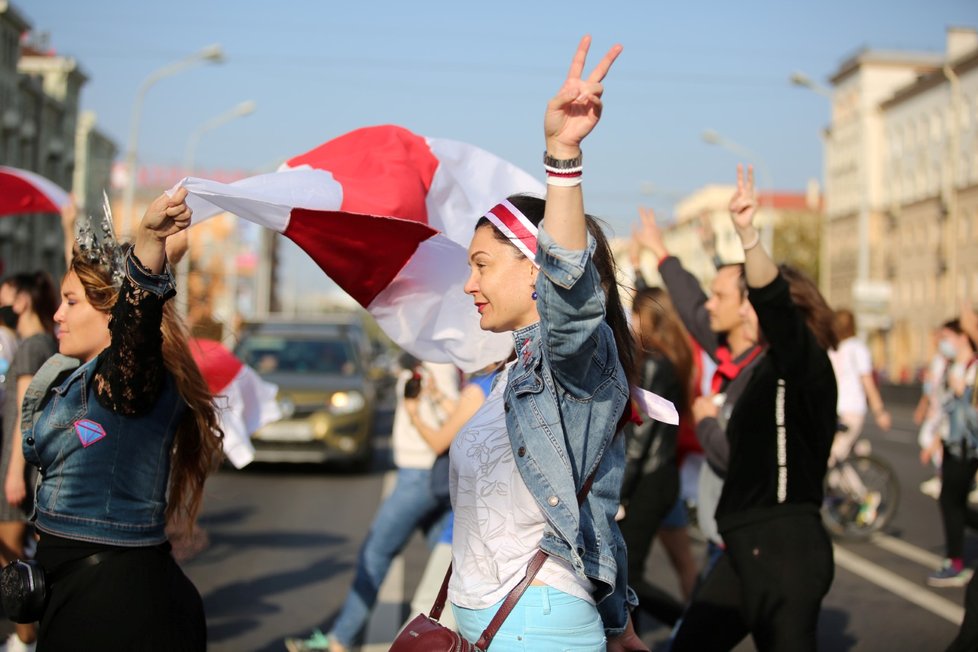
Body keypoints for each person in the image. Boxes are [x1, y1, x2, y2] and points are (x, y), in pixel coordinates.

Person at [446, 36, 645, 652]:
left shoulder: (567, 361)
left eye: (482, 264)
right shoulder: (515, 369)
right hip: (493, 623)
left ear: (534, 270)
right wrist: (623, 626)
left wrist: (563, 154)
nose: (467, 283)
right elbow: (591, 512)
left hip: (537, 630)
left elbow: (573, 298)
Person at [21, 187, 224, 650]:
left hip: (118, 610)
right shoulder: (77, 378)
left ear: (112, 309)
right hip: (78, 599)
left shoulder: (127, 383)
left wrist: (150, 248)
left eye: (71, 302)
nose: (56, 313)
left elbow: (135, 330)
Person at [670, 165, 838, 652]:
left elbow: (773, 303)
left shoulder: (801, 362)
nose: (743, 309)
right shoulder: (761, 369)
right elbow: (703, 313)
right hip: (745, 546)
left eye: (752, 303)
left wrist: (747, 234)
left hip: (784, 547)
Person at [285, 357, 458, 652]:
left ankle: (340, 640)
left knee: (375, 554)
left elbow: (451, 418)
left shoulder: (437, 363)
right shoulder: (421, 360)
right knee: (449, 558)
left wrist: (420, 405)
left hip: (420, 475)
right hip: (419, 473)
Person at [632, 205, 763, 582]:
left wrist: (706, 422)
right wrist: (659, 254)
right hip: (693, 482)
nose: (708, 305)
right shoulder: (711, 346)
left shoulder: (753, 366)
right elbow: (687, 301)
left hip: (692, 462)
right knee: (695, 572)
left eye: (719, 298)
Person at [401, 360, 504, 632]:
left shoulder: (480, 386)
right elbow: (470, 426)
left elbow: (439, 441)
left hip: (465, 524)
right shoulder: (506, 380)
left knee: (426, 615)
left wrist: (413, 413)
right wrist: (436, 396)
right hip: (495, 520)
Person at [617, 286, 692, 628]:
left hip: (647, 478)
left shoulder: (654, 364)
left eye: (635, 314)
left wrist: (621, 492)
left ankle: (684, 623)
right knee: (634, 568)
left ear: (645, 319)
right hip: (661, 474)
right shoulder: (671, 357)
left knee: (626, 574)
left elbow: (640, 438)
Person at [0, 271, 58, 652]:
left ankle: (27, 641)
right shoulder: (39, 344)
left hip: (15, 469)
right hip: (18, 467)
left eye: (5, 292)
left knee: (12, 566)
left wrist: (14, 473)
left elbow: (26, 411)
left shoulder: (30, 347)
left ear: (22, 300)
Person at [922, 319, 978, 587]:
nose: (943, 342)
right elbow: (946, 410)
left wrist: (962, 390)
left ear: (963, 337)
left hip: (966, 446)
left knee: (950, 500)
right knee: (951, 500)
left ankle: (956, 562)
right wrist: (935, 441)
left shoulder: (972, 367)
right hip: (952, 441)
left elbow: (971, 411)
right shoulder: (952, 365)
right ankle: (955, 559)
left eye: (947, 336)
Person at [828, 308, 892, 524]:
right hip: (834, 410)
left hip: (850, 409)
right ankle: (842, 495)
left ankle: (864, 497)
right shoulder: (834, 347)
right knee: (835, 458)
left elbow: (867, 382)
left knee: (833, 457)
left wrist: (879, 410)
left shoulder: (856, 347)